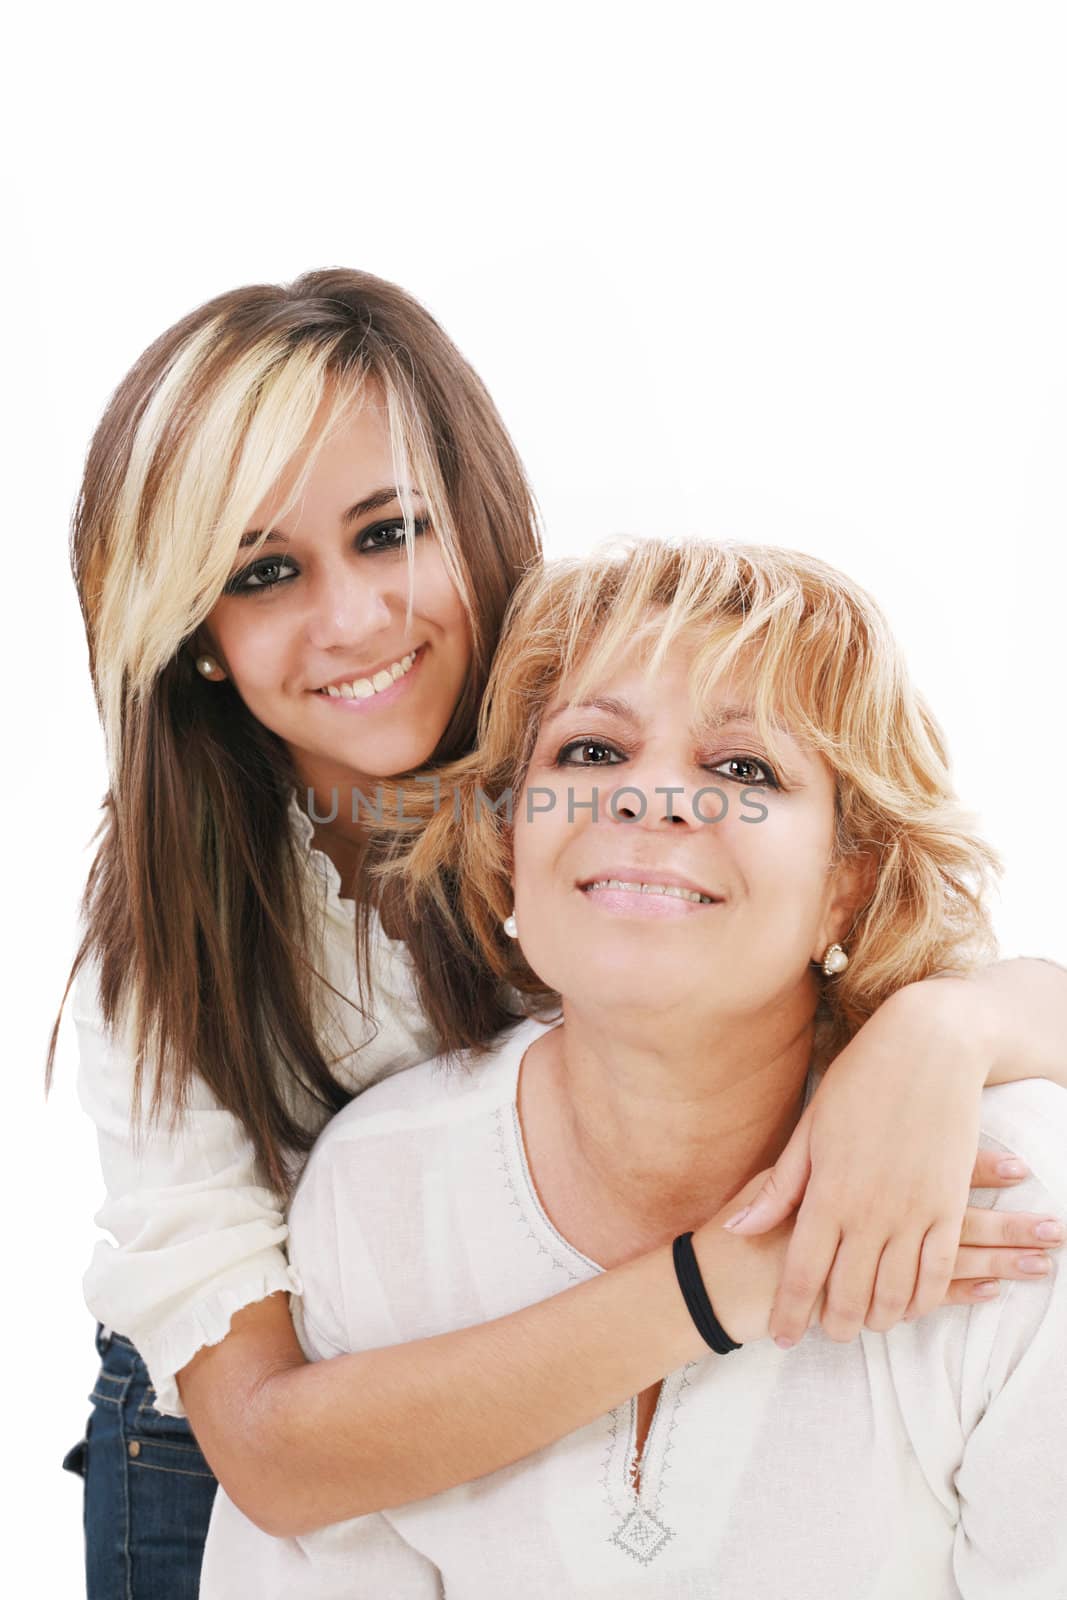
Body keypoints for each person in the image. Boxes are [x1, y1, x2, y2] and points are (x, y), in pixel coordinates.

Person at [50, 272, 1067, 1599]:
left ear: (470, 522)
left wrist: (946, 1024)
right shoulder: (177, 928)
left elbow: (924, 960)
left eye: (387, 532)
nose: (350, 619)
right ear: (195, 632)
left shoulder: (621, 729)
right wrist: (713, 1291)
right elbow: (273, 1453)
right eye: (261, 571)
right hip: (253, 1422)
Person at [200, 538, 1067, 1598]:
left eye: (742, 769)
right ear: (510, 841)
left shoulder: (1015, 1205)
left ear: (848, 883)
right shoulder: (373, 1188)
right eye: (590, 755)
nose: (650, 800)